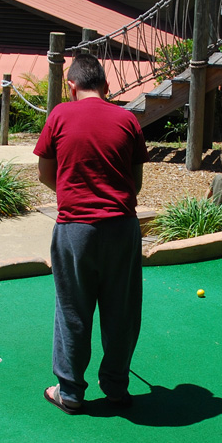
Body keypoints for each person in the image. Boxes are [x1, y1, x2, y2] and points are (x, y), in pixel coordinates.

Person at [34, 54, 148, 414]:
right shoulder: (128, 119)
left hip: (74, 229)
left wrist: (73, 194)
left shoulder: (60, 116)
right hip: (121, 228)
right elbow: (136, 184)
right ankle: (115, 385)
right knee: (122, 311)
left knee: (73, 310)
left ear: (71, 86)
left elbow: (45, 174)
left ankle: (69, 391)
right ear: (107, 86)